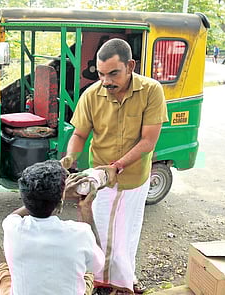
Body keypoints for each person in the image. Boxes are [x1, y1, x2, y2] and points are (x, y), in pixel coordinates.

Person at [60, 38, 168, 294]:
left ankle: (124, 281)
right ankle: (99, 282)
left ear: (130, 66)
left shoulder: (152, 90)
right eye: (100, 74)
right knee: (101, 234)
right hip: (101, 180)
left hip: (134, 179)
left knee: (125, 237)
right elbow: (79, 134)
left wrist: (117, 166)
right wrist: (70, 157)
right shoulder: (91, 95)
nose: (106, 81)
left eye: (113, 74)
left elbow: (148, 140)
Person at [0, 160, 105, 295]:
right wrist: (85, 208)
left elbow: (14, 216)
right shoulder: (81, 233)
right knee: (86, 265)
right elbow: (98, 266)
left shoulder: (12, 227)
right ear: (59, 204)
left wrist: (57, 197)